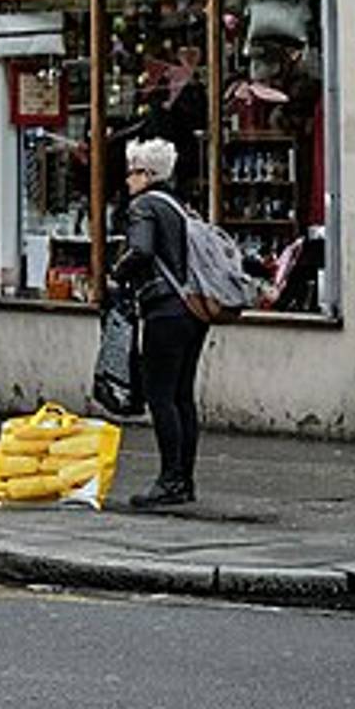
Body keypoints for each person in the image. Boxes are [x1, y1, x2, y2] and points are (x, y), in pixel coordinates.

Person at [113, 137, 207, 508]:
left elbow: (141, 250)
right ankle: (184, 479)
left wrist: (115, 274)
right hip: (193, 309)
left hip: (164, 310)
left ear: (147, 174)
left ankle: (169, 480)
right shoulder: (180, 206)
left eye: (132, 172)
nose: (127, 180)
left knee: (160, 395)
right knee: (183, 395)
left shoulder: (144, 206)